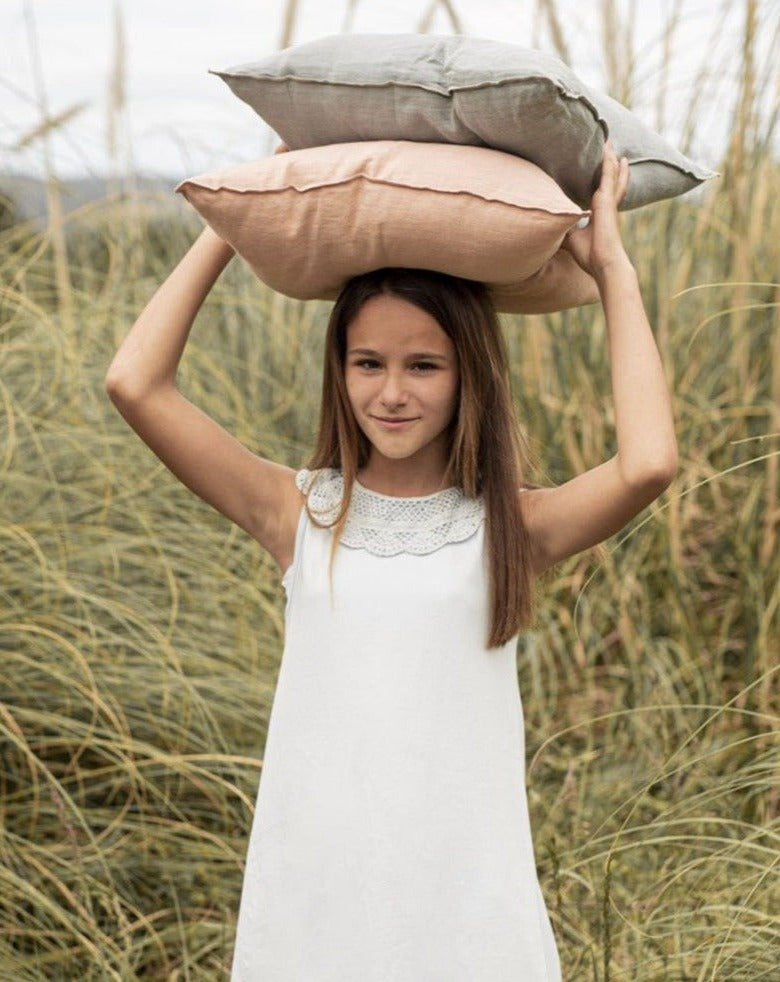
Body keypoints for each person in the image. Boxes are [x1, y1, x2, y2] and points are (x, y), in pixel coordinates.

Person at [105, 142, 677, 981]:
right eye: (367, 364)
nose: (392, 393)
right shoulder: (296, 512)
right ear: (339, 371)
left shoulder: (513, 524)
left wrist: (614, 272)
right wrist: (233, 222)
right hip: (320, 883)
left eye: (424, 366)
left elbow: (648, 464)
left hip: (465, 889)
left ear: (468, 373)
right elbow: (134, 383)